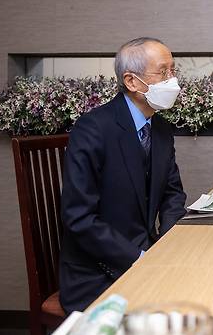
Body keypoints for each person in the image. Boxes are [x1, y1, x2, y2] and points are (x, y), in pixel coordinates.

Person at [59, 37, 187, 313]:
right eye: (163, 72)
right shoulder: (92, 129)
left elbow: (172, 195)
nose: (172, 80)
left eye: (174, 71)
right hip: (98, 272)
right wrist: (140, 258)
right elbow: (79, 217)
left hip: (149, 256)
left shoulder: (161, 129)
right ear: (131, 81)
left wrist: (168, 246)